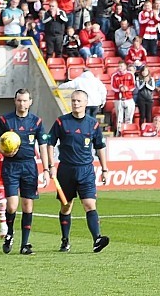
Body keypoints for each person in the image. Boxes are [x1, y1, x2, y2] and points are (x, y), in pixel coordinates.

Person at [42, 88, 110, 253]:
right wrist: (51, 166)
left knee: (89, 204)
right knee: (66, 206)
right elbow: (49, 143)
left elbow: (100, 147)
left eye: (79, 101)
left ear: (86, 103)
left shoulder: (92, 124)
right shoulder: (61, 122)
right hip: (66, 170)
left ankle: (97, 239)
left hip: (86, 170)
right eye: (73, 101)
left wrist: (105, 169)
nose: (75, 103)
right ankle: (65, 240)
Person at [0, 88, 44, 255]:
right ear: (15, 101)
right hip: (11, 166)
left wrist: (46, 167)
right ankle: (9, 233)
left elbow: (43, 145)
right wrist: (4, 151)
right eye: (19, 100)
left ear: (30, 102)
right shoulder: (5, 120)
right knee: (11, 205)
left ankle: (25, 244)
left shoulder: (36, 122)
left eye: (25, 100)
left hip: (29, 166)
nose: (22, 103)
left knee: (27, 205)